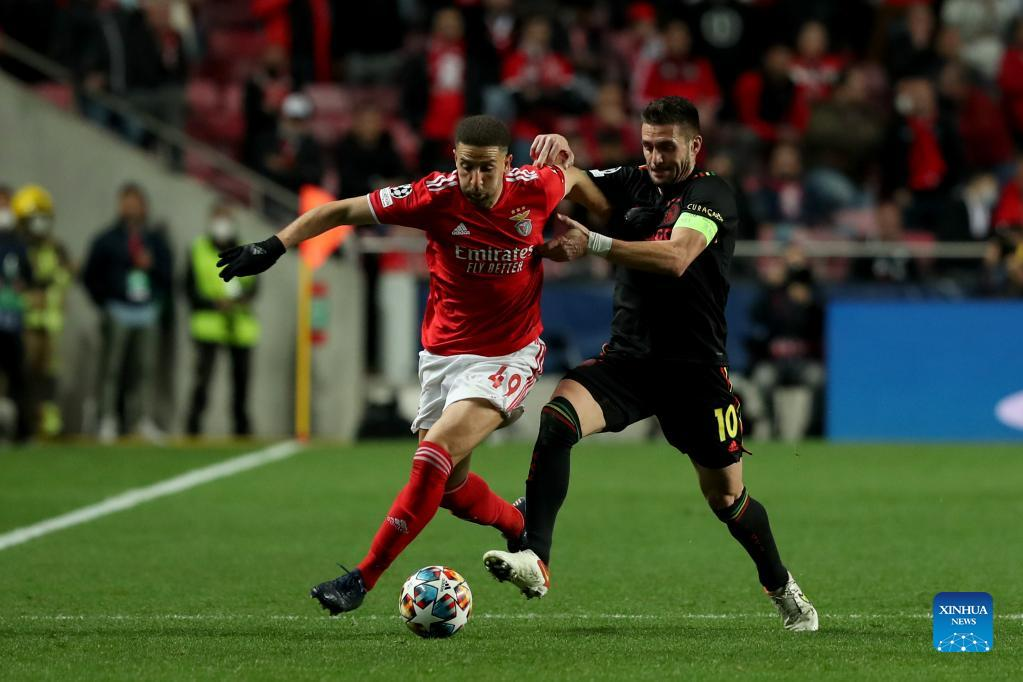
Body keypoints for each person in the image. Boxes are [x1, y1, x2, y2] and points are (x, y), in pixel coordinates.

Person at [216, 115, 596, 615]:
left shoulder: (536, 187)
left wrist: (591, 233)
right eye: (466, 167)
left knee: (434, 455)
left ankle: (362, 578)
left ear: (508, 164)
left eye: (486, 169)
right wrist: (274, 245)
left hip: (508, 354)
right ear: (454, 161)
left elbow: (577, 179)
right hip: (442, 357)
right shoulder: (433, 196)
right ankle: (517, 523)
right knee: (451, 489)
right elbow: (340, 210)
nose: (475, 180)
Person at [482, 97, 819, 632]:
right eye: (647, 145)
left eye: (666, 146)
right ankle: (536, 559)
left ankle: (781, 586)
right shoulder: (632, 180)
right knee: (558, 419)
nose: (656, 157)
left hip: (695, 371)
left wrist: (594, 243)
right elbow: (576, 182)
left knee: (726, 498)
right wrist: (560, 161)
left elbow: (677, 257)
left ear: (694, 145)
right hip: (630, 361)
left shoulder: (711, 193)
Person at [82, 183, 173, 444]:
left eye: (136, 204)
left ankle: (141, 419)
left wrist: (152, 273)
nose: (131, 209)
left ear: (144, 207)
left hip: (146, 310)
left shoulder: (154, 241)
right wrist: (106, 302)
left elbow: (168, 275)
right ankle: (107, 419)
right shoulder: (107, 240)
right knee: (111, 368)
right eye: (127, 203)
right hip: (118, 309)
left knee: (145, 369)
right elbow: (90, 275)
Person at [185, 204, 259, 437]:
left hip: (240, 326)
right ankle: (193, 427)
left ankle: (241, 430)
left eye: (226, 218)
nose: (222, 225)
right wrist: (213, 304)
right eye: (218, 218)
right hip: (208, 325)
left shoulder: (246, 249)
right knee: (202, 382)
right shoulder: (198, 249)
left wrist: (241, 300)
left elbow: (254, 286)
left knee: (241, 383)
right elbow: (187, 287)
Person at [12, 185, 73, 438]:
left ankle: (46, 425)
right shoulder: (15, 249)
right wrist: (29, 295)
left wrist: (48, 287)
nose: (39, 225)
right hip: (22, 323)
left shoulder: (56, 248)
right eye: (33, 219)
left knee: (47, 376)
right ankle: (21, 425)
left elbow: (64, 277)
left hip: (50, 323)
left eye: (43, 218)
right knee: (21, 375)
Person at [0, 185, 34, 443]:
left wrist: (24, 285)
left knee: (18, 375)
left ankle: (22, 431)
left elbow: (29, 277)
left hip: (13, 318)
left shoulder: (17, 244)